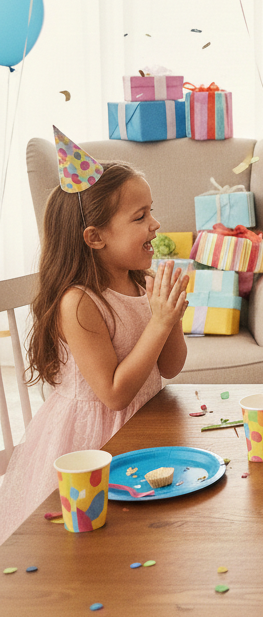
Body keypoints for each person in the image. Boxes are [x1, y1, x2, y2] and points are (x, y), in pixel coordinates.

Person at [0, 130, 188, 544]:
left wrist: (169, 315)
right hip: (92, 439)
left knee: (144, 530)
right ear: (95, 237)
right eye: (139, 217)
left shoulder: (144, 283)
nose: (155, 223)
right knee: (102, 534)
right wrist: (158, 323)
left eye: (150, 212)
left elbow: (171, 366)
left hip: (145, 424)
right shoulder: (79, 303)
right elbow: (114, 394)